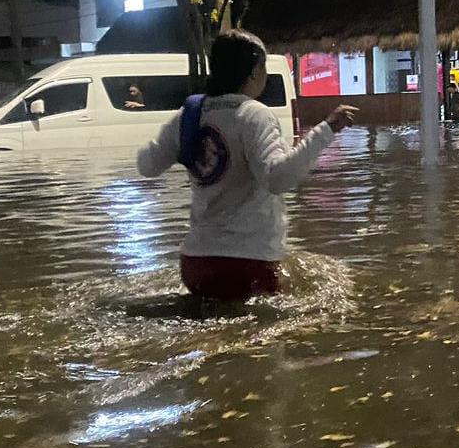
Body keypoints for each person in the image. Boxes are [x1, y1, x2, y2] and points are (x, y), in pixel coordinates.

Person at [136, 30, 357, 300]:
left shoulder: (189, 116)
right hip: (248, 264)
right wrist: (327, 130)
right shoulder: (254, 115)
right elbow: (278, 179)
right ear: (254, 72)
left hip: (194, 263)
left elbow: (147, 165)